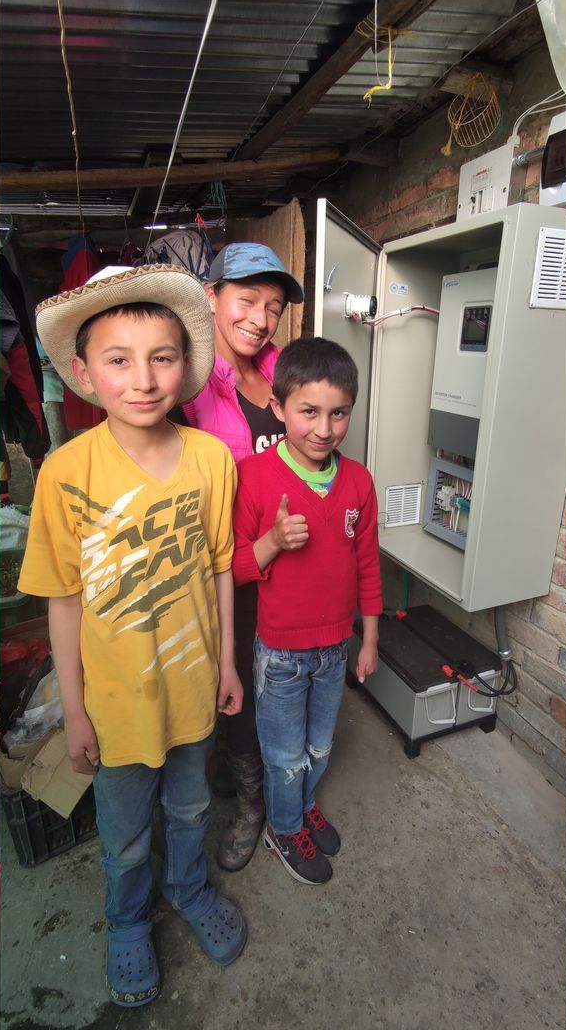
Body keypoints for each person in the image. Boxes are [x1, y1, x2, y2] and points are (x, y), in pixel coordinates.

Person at [22, 263, 248, 1008]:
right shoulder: (64, 472)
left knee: (189, 808)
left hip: (193, 688)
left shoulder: (213, 461)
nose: (143, 379)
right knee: (122, 834)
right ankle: (127, 923)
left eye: (161, 357)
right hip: (116, 706)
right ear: (85, 372)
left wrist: (228, 665)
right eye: (119, 360)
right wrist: (76, 710)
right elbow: (61, 601)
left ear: (186, 366)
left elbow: (219, 569)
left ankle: (185, 891)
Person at [230, 338, 380, 886]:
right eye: (308, 411)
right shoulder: (251, 476)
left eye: (338, 413)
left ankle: (302, 805)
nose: (323, 429)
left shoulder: (359, 482)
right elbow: (230, 567)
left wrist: (368, 639)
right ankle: (284, 827)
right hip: (280, 654)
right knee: (283, 755)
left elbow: (367, 564)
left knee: (319, 746)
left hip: (334, 647)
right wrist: (271, 541)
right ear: (278, 408)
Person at [178, 242, 304, 872]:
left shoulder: (284, 374)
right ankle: (252, 803)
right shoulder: (190, 386)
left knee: (281, 679)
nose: (260, 317)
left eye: (273, 307)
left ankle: (261, 783)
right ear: (211, 297)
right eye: (247, 300)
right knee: (241, 686)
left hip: (293, 559)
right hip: (231, 565)